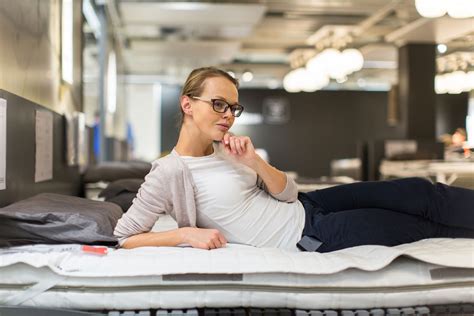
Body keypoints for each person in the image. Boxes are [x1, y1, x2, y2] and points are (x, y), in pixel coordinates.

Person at [114, 67, 474, 253]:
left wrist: (254, 162)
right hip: (308, 236)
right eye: (218, 104)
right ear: (187, 104)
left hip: (310, 204)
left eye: (233, 107)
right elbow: (125, 237)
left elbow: (288, 193)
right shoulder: (168, 171)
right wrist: (185, 233)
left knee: (420, 192)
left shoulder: (229, 149)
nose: (228, 115)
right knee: (414, 227)